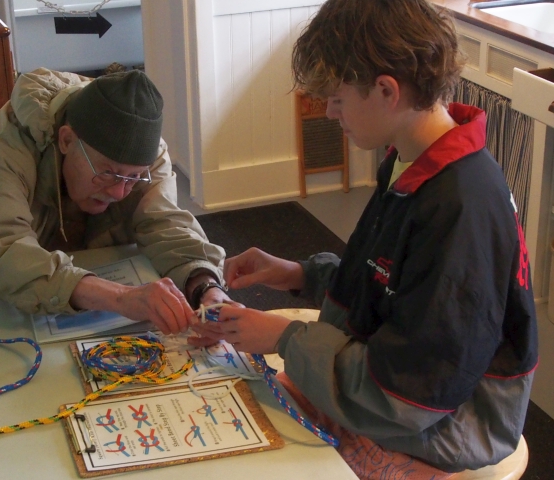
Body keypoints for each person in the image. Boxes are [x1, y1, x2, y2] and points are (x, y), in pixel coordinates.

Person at [190, 0, 538, 475]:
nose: (331, 113)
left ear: (385, 90)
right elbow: (390, 281)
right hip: (407, 387)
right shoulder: (411, 160)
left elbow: (412, 392)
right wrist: (300, 276)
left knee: (262, 449)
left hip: (447, 421)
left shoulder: (461, 207)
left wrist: (286, 337)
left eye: (336, 98)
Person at [0, 68, 236, 335]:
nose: (120, 193)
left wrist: (205, 286)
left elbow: (165, 225)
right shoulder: (8, 143)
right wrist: (120, 297)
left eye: (133, 178)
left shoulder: (146, 154)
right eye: (108, 173)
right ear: (66, 141)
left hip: (90, 307)